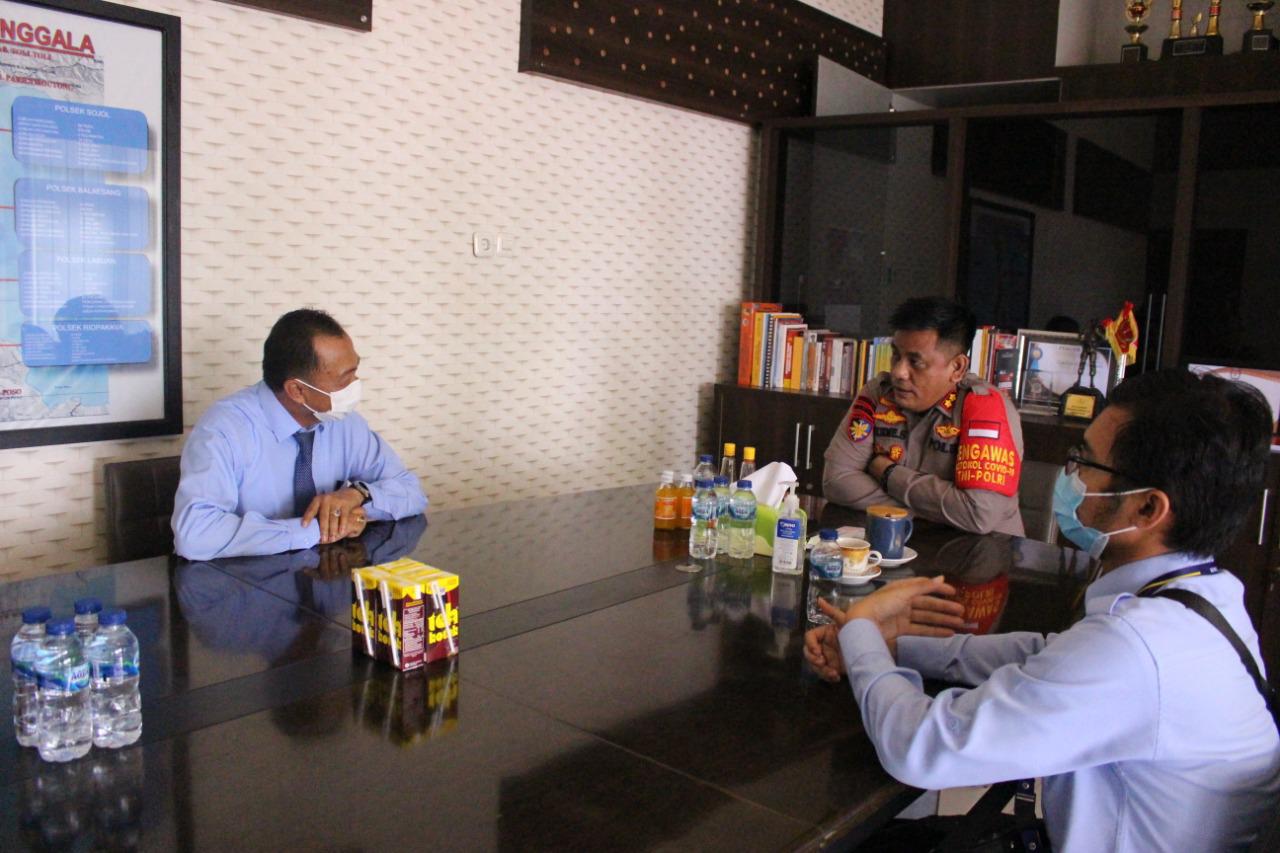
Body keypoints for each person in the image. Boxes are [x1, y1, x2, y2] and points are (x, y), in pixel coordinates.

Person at [805, 369, 1280, 852]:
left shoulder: (1137, 648)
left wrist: (861, 625)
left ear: (1147, 509)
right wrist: (893, 647)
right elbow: (1047, 654)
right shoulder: (1203, 598)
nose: (1069, 477)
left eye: (1085, 463)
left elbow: (918, 748)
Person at [172, 309, 427, 560]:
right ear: (297, 390)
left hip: (327, 573)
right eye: (344, 379)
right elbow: (195, 534)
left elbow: (412, 492)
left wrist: (359, 496)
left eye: (355, 371)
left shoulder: (345, 423)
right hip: (244, 579)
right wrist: (315, 530)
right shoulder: (224, 429)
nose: (355, 385)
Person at [823, 297, 1024, 536]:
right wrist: (936, 511)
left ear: (957, 368)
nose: (898, 372)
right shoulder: (878, 393)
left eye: (915, 362)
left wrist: (888, 473)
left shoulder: (985, 407)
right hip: (900, 540)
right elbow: (837, 481)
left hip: (979, 551)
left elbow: (977, 514)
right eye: (896, 356)